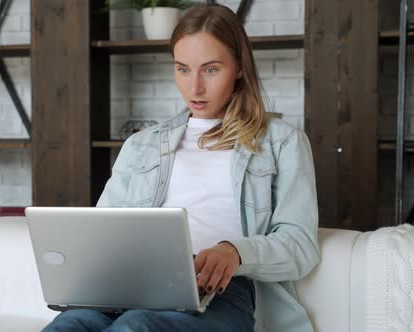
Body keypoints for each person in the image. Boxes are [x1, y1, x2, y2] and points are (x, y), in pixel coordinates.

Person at [42, 4, 319, 332]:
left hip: (224, 289)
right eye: (183, 69)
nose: (195, 88)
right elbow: (103, 235)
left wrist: (235, 252)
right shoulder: (142, 145)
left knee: (136, 327)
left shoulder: (283, 142)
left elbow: (301, 245)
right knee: (70, 324)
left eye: (211, 70)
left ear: (240, 68)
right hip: (135, 285)